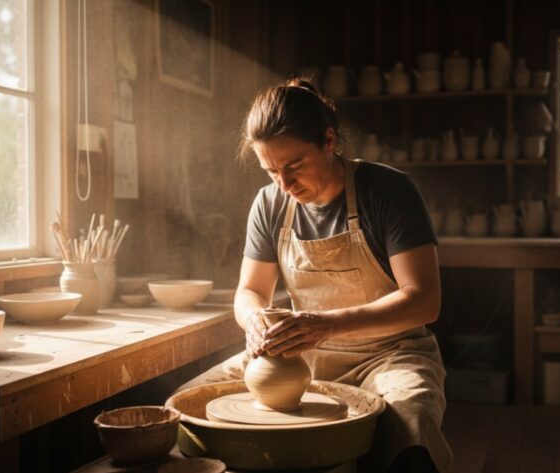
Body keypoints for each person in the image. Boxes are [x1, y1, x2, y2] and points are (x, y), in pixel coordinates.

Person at [177, 78, 451, 473]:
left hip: (388, 356)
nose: (284, 184)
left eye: (295, 167)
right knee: (186, 408)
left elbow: (424, 300)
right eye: (271, 171)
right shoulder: (270, 203)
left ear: (328, 141)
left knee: (411, 424)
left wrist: (327, 324)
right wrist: (254, 321)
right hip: (300, 355)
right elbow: (249, 291)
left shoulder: (388, 191)